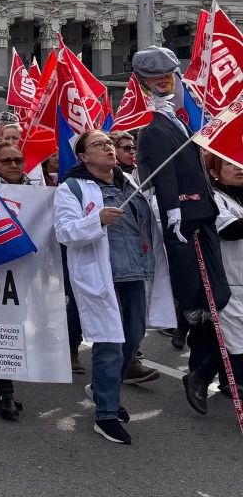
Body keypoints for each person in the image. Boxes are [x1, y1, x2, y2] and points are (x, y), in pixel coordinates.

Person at [54, 128, 172, 445]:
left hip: (136, 272)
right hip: (102, 275)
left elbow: (147, 221)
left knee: (132, 339)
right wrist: (97, 221)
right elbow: (64, 232)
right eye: (99, 145)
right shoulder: (72, 188)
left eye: (109, 143)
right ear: (83, 156)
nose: (108, 148)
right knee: (110, 343)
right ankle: (106, 413)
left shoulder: (128, 181)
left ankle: (101, 388)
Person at [131, 46, 231, 413]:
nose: (165, 80)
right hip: (184, 219)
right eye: (156, 76)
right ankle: (197, 365)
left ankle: (200, 371)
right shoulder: (155, 127)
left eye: (169, 73)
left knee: (215, 300)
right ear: (144, 82)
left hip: (202, 215)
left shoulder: (179, 120)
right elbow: (163, 173)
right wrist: (173, 211)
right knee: (198, 301)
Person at [191, 152, 243, 410]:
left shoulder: (240, 197)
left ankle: (198, 377)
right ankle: (201, 378)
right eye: (230, 163)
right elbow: (230, 230)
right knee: (237, 345)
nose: (238, 168)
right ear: (213, 171)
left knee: (234, 343)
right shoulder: (214, 199)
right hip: (229, 281)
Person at [0, 141, 31, 419]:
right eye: (6, 161)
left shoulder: (35, 189)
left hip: (22, 270)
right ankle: (6, 393)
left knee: (17, 326)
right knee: (3, 330)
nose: (14, 164)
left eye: (18, 159)